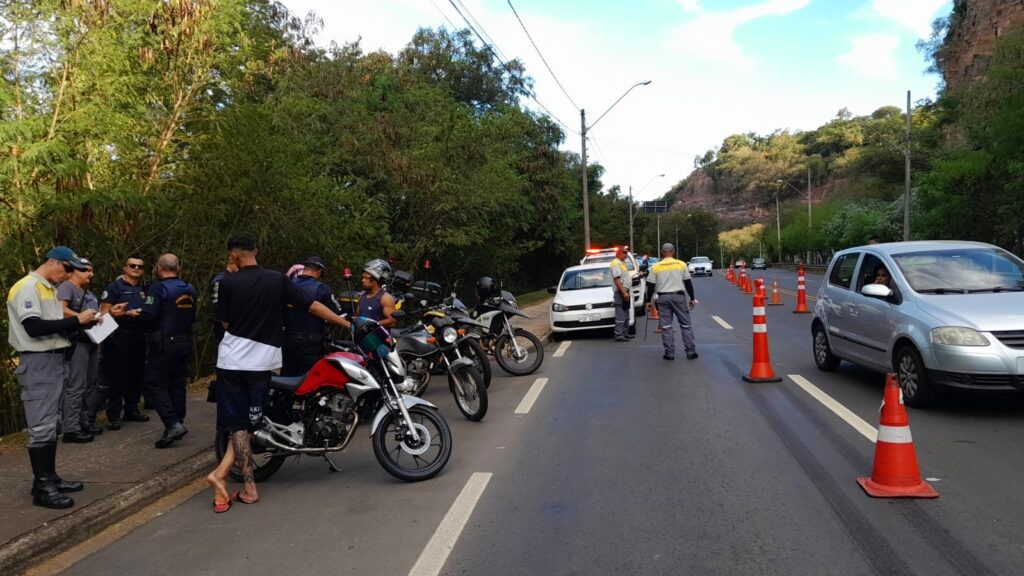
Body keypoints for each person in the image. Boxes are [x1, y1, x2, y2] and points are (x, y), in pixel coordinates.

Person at [206, 234, 351, 513]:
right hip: (261, 363)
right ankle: (233, 481)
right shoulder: (277, 280)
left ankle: (236, 482)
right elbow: (314, 306)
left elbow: (225, 321)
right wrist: (344, 323)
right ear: (256, 251)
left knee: (239, 426)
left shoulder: (227, 283)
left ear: (234, 256)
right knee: (251, 423)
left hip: (231, 361)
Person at [7, 247, 97, 508]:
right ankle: (43, 486)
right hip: (38, 362)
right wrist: (76, 321)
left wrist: (82, 323)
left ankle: (48, 477)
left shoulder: (48, 288)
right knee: (42, 425)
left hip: (55, 359)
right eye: (67, 269)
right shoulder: (27, 287)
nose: (69, 275)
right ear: (53, 262)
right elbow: (33, 327)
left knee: (51, 422)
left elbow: (55, 325)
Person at [141, 254, 197, 449]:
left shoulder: (157, 288)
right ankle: (178, 420)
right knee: (177, 383)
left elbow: (148, 316)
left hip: (164, 342)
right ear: (178, 268)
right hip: (184, 340)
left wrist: (136, 314)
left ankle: (172, 423)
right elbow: (192, 317)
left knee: (154, 383)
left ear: (158, 268)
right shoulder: (189, 288)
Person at [99, 256, 151, 429]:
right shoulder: (114, 287)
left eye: (140, 266)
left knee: (136, 373)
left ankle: (132, 409)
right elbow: (103, 314)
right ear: (124, 268)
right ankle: (114, 414)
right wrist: (124, 313)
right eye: (132, 265)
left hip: (139, 334)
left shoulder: (145, 288)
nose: (136, 268)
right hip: (118, 336)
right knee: (117, 375)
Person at [56, 257, 104, 443]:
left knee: (89, 384)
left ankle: (85, 422)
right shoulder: (66, 287)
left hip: (92, 340)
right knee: (76, 385)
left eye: (91, 270)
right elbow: (60, 309)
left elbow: (94, 314)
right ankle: (71, 429)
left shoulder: (88, 292)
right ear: (73, 270)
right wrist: (80, 317)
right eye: (85, 270)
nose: (90, 274)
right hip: (76, 342)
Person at [282, 256, 341, 376]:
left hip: (288, 340)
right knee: (310, 380)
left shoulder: (288, 285)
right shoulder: (322, 289)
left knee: (287, 378)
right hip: (311, 344)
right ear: (319, 271)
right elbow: (334, 314)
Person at [647, 243, 699, 361]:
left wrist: (648, 301)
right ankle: (691, 352)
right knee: (686, 325)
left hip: (663, 298)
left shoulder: (656, 266)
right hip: (679, 297)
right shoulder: (681, 264)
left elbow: (650, 285)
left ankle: (669, 353)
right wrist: (692, 298)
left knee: (666, 326)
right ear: (673, 252)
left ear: (662, 252)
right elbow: (688, 283)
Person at [357, 259, 397, 328]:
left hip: (379, 337)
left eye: (366, 278)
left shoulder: (385, 298)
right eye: (363, 277)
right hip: (363, 337)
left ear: (376, 279)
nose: (363, 280)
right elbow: (358, 317)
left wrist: (373, 324)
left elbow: (392, 321)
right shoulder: (362, 296)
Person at [610, 247, 633, 342]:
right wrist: (623, 292)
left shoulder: (621, 263)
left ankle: (625, 332)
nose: (626, 254)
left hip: (625, 292)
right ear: (618, 253)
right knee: (620, 314)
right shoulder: (615, 263)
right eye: (624, 252)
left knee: (626, 313)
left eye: (627, 253)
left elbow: (624, 277)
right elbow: (617, 279)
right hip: (621, 293)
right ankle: (619, 334)